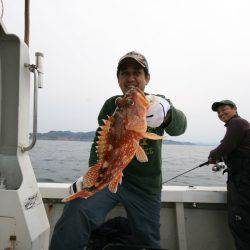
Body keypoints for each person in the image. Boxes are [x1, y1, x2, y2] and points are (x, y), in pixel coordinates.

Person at [49, 51, 187, 250]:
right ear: (118, 79)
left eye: (137, 72)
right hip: (109, 179)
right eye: (124, 73)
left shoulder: (158, 103)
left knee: (148, 240)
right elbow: (102, 140)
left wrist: (168, 114)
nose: (131, 78)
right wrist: (91, 176)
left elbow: (180, 127)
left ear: (147, 78)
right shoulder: (112, 104)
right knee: (76, 210)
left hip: (145, 187)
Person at [208, 100, 250, 250]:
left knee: (240, 223)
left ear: (234, 109)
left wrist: (212, 155)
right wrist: (219, 157)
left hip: (243, 183)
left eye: (224, 109)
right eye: (218, 112)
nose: (221, 113)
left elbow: (226, 145)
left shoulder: (237, 123)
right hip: (240, 180)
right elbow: (233, 148)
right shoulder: (239, 125)